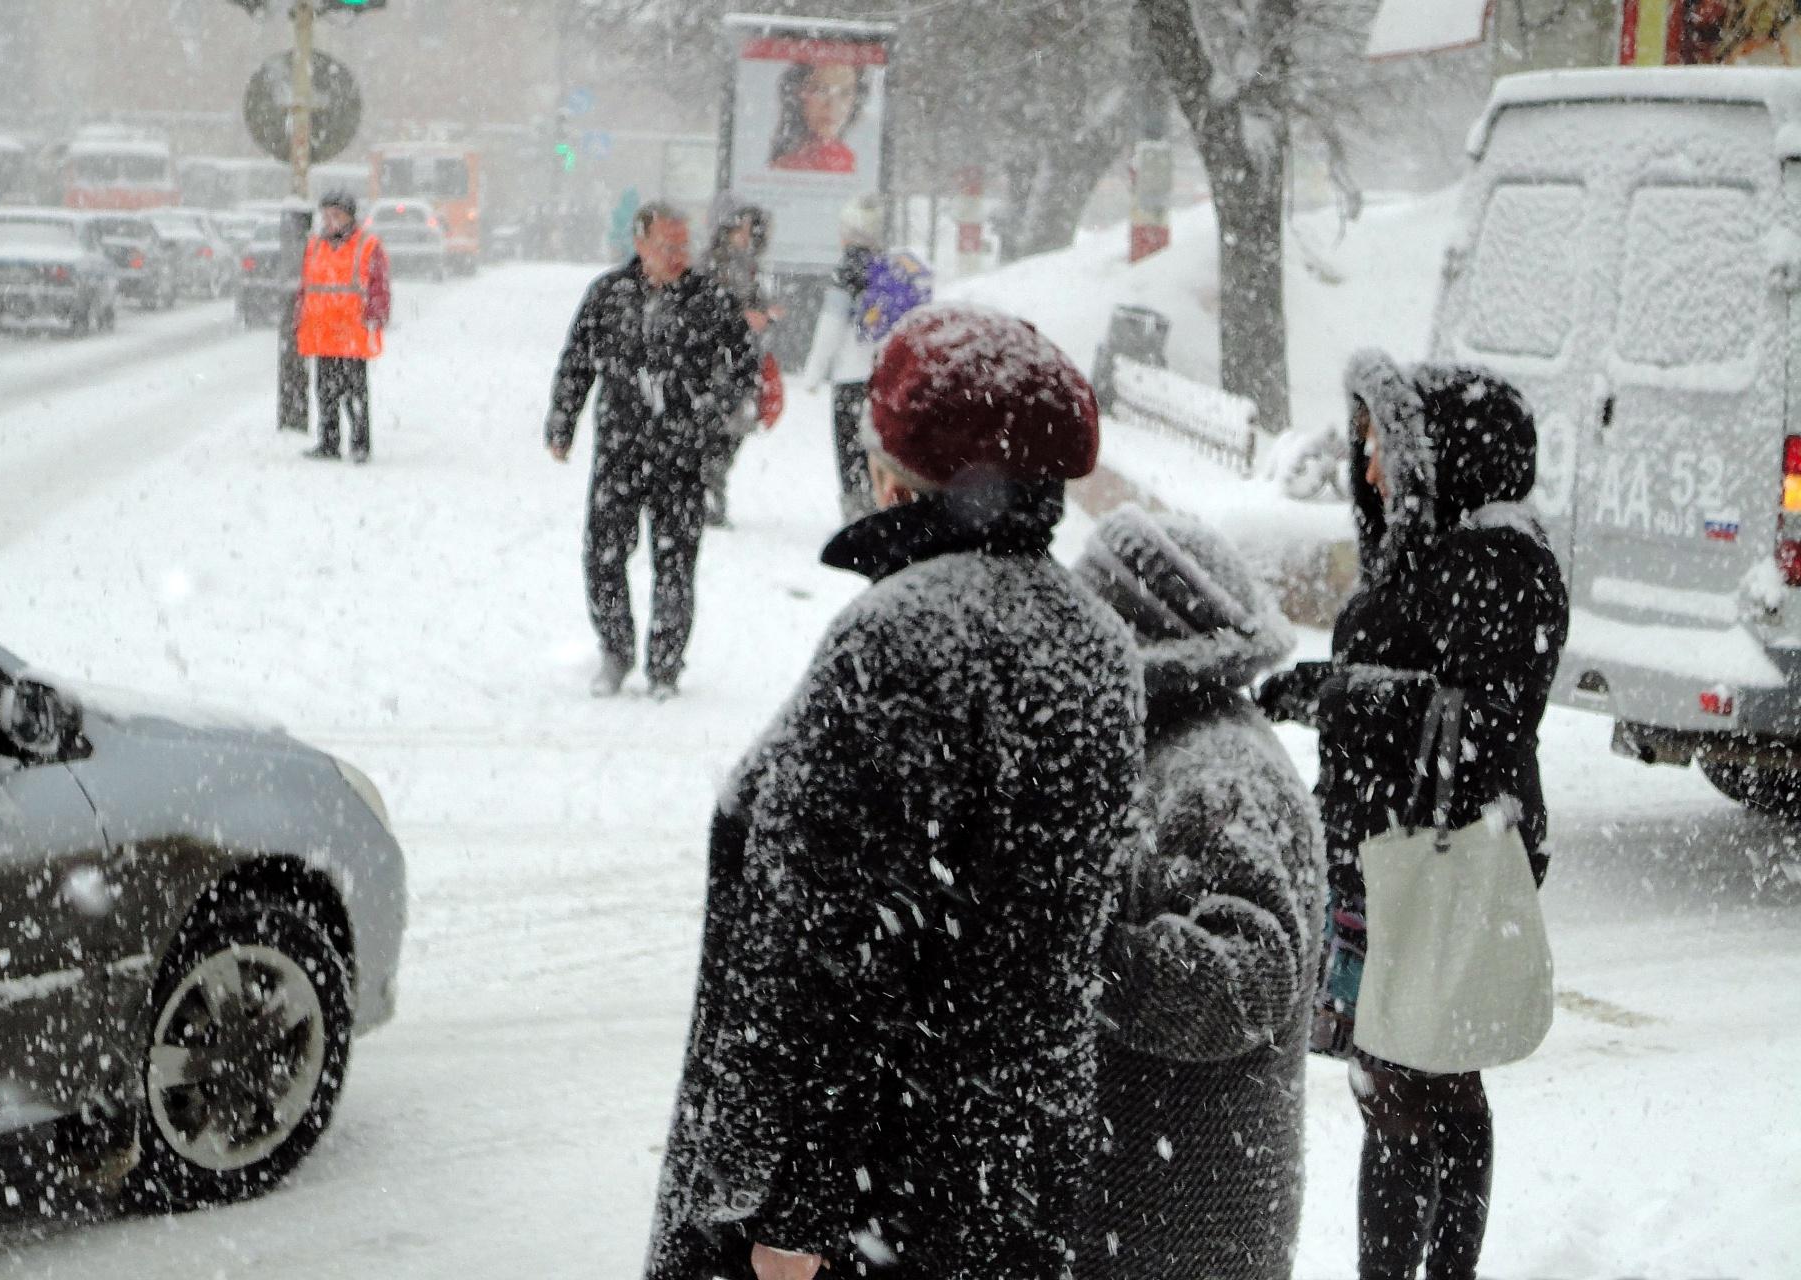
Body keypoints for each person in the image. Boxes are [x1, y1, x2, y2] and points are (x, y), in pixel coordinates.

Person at [641, 303, 1143, 1280]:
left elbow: (827, 951)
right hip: (1008, 1179)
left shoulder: (901, 634)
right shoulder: (1097, 641)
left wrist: (789, 1213)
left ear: (897, 476)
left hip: (875, 1196)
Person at [1256, 352, 1569, 1280]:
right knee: (1429, 1081)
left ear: (1442, 453)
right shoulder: (1441, 552)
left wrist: (1333, 691)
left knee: (1398, 1085)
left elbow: (1474, 714)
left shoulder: (1497, 560)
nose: (1371, 468)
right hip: (1400, 855)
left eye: (1383, 446)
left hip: (1436, 861)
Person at [1071, 506, 1324, 1280]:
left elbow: (1246, 980)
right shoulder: (1169, 745)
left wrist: (1078, 955)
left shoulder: (1216, 776)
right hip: (1165, 1211)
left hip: (1181, 1225)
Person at [544, 201, 757, 700]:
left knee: (676, 563)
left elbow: (745, 365)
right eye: (668, 245)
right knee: (604, 555)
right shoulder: (608, 295)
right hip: (619, 448)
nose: (679, 255)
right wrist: (562, 422)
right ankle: (615, 652)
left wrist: (712, 410)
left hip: (682, 454)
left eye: (684, 244)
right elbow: (577, 361)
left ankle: (664, 666)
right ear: (640, 244)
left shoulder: (709, 299)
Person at [803, 195, 931, 522]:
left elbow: (831, 324)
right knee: (880, 446)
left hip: (850, 376)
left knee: (850, 450)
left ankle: (858, 513)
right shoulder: (892, 269)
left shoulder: (847, 271)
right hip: (886, 374)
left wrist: (814, 373)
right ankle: (886, 505)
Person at [700, 195, 780, 528]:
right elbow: (706, 310)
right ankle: (708, 489)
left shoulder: (750, 266)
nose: (746, 234)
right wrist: (743, 318)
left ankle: (712, 485)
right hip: (719, 361)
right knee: (720, 427)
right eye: (740, 228)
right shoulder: (714, 265)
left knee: (734, 426)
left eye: (750, 228)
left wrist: (765, 316)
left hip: (743, 359)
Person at [295, 190, 390, 463]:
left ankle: (360, 444)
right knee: (325, 392)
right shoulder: (314, 246)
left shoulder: (367, 245)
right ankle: (328, 442)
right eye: (325, 216)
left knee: (353, 392)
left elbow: (378, 285)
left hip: (352, 331)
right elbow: (306, 286)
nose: (330, 221)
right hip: (322, 331)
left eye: (336, 215)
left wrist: (377, 313)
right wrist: (299, 316)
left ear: (350, 217)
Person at [769, 60, 867, 173]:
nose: (832, 106)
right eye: (821, 90)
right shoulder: (789, 158)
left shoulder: (841, 158)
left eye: (845, 93)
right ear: (799, 93)